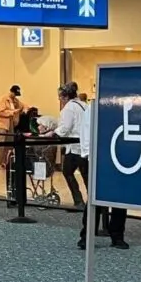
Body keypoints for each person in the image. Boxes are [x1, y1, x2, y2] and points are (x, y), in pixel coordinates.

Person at [77, 101, 128, 250]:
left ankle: (117, 236)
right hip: (99, 157)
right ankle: (86, 236)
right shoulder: (95, 105)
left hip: (120, 156)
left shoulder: (124, 103)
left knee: (120, 198)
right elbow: (86, 129)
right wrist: (88, 154)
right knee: (95, 199)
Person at [44, 82, 86, 211]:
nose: (59, 99)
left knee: (67, 172)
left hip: (74, 147)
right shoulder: (84, 105)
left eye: (60, 97)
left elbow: (65, 127)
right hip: (84, 146)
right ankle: (91, 204)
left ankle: (78, 201)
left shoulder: (68, 108)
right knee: (85, 175)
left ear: (65, 97)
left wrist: (53, 133)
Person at [0, 85, 24, 169]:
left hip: (10, 124)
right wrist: (12, 112)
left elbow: (22, 106)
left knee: (9, 143)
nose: (15, 96)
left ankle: (4, 161)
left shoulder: (14, 101)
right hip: (1, 124)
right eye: (15, 94)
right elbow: (0, 112)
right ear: (11, 91)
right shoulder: (3, 99)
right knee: (0, 143)